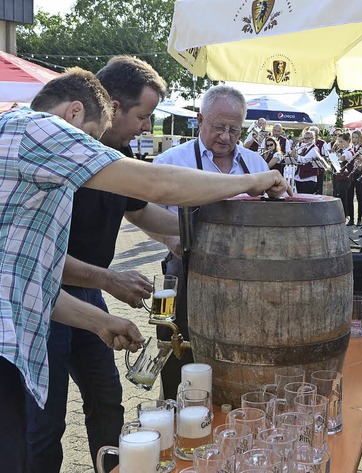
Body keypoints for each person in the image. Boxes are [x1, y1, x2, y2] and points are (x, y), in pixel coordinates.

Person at [0, 67, 289, 473]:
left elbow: (29, 275)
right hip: (11, 340)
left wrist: (99, 320)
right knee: (34, 432)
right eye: (90, 137)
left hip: (34, 313)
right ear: (74, 114)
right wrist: (254, 181)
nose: (92, 149)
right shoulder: (38, 130)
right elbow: (158, 186)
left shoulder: (28, 151)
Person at [24, 55, 179, 473]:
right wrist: (109, 279)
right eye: (143, 116)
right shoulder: (60, 157)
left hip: (88, 291)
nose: (147, 127)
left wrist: (186, 240)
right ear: (110, 105)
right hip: (44, 299)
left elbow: (141, 209)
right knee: (45, 419)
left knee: (107, 398)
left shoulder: (117, 150)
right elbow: (42, 261)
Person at [151, 84, 269, 400]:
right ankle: (178, 412)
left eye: (235, 129)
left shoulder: (255, 164)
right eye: (219, 127)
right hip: (185, 270)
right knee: (179, 349)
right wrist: (171, 239)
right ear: (201, 119)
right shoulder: (170, 161)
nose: (226, 137)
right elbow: (143, 211)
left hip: (246, 279)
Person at [292, 129, 321, 194]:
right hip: (299, 177)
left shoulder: (315, 149)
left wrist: (296, 156)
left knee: (306, 198)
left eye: (308, 138)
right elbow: (298, 160)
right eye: (305, 138)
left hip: (309, 178)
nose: (306, 140)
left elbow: (304, 160)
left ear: (313, 138)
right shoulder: (304, 147)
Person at [350, 130, 362, 226]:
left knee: (360, 197)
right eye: (353, 137)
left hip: (359, 174)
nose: (354, 139)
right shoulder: (351, 148)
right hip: (352, 175)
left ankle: (359, 219)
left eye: (356, 137)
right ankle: (351, 218)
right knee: (350, 196)